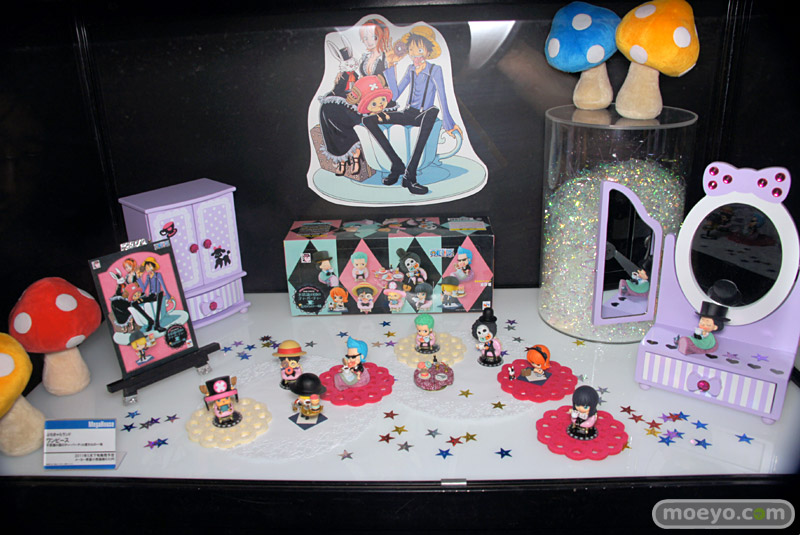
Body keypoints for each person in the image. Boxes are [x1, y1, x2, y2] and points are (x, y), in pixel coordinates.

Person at [362, 25, 462, 195]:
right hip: (408, 113)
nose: (415, 55)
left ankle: (410, 175)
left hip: (424, 115)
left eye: (419, 50)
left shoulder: (434, 70)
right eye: (411, 50)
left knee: (433, 111)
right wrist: (390, 67)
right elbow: (395, 94)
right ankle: (397, 164)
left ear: (428, 52)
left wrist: (449, 124)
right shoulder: (410, 69)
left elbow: (443, 97)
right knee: (368, 120)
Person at [318, 18, 393, 177]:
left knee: (343, 114)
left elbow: (387, 83)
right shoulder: (364, 57)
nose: (368, 41)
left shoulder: (386, 58)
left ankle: (355, 154)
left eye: (373, 37)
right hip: (359, 96)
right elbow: (357, 82)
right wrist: (345, 77)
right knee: (327, 110)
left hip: (375, 100)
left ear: (382, 37)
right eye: (365, 38)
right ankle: (341, 156)